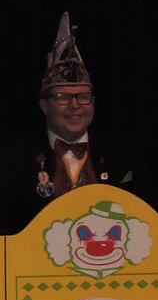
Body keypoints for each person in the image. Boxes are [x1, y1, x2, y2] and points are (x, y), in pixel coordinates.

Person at [20, 12, 141, 210]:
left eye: (83, 96)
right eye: (62, 97)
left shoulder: (125, 156)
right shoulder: (14, 162)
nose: (75, 105)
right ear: (44, 106)